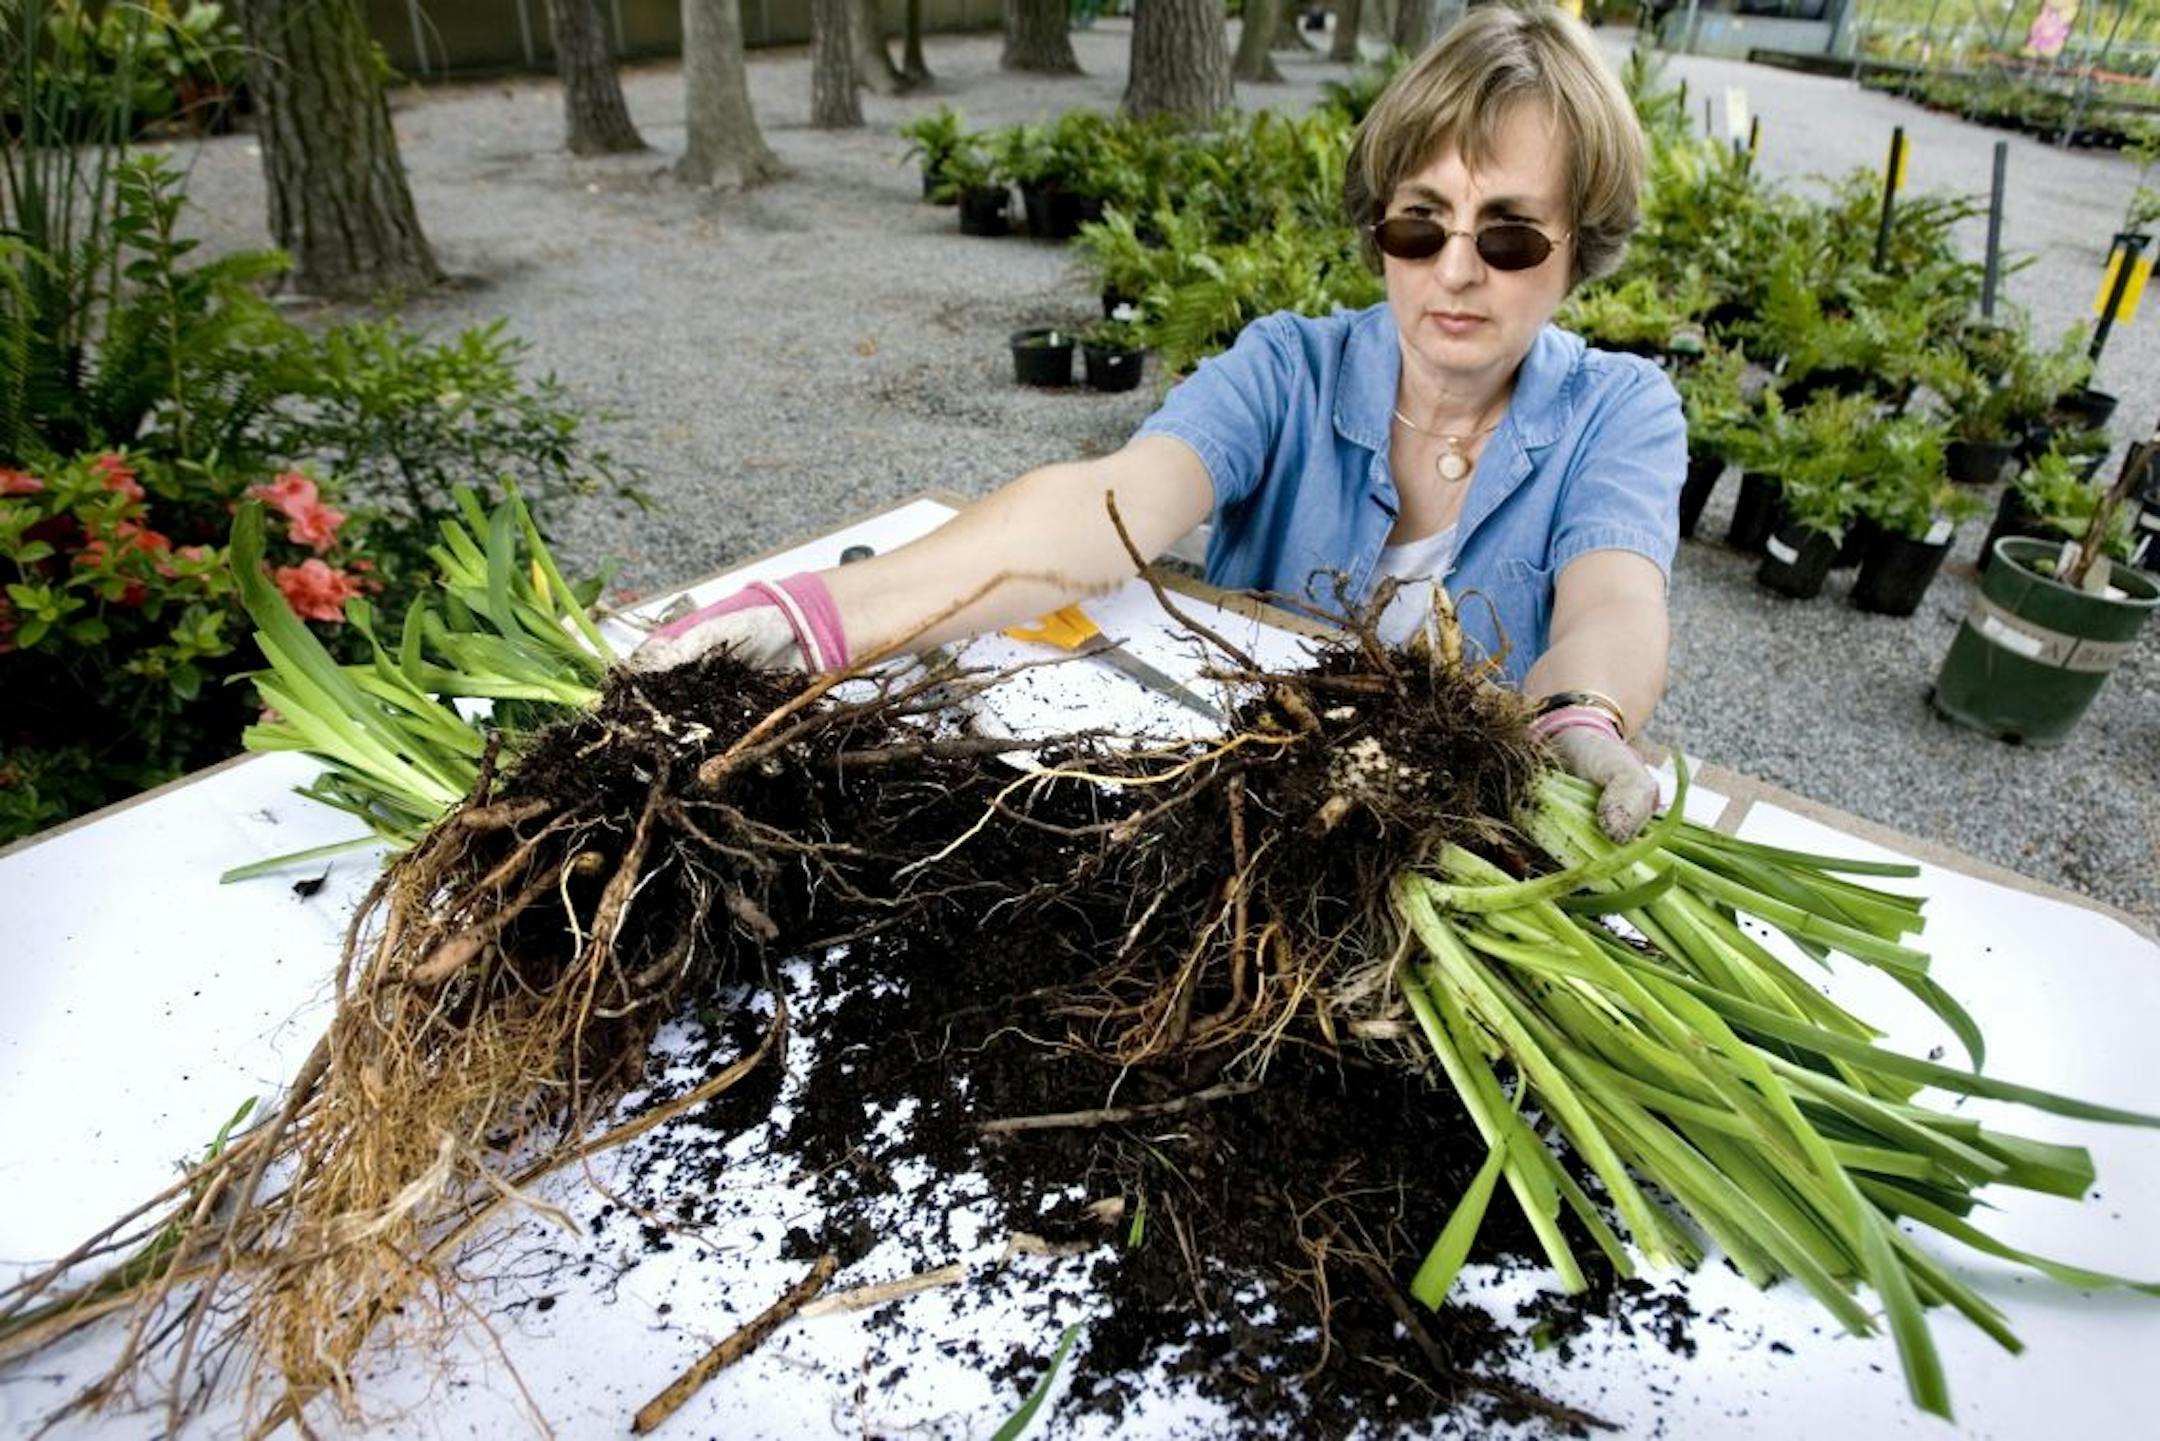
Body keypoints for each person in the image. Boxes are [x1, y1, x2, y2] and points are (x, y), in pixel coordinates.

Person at [633, 4, 1684, 842]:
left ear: (1580, 246)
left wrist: (1578, 717)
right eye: (1419, 223)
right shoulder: (1288, 366)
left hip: (1447, 843)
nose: (1454, 270)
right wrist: (817, 616)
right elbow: (1104, 510)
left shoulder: (1621, 411)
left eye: (1508, 236)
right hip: (1253, 816)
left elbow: (1614, 602)